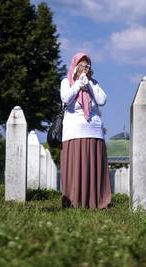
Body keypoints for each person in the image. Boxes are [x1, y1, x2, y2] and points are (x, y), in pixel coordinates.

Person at [60, 52, 111, 208]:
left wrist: (88, 84)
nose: (84, 68)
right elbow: (66, 99)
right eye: (81, 65)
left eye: (87, 65)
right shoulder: (66, 82)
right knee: (76, 169)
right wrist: (77, 85)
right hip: (74, 132)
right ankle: (75, 201)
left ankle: (96, 201)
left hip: (94, 131)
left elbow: (102, 100)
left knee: (93, 169)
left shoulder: (93, 83)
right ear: (75, 66)